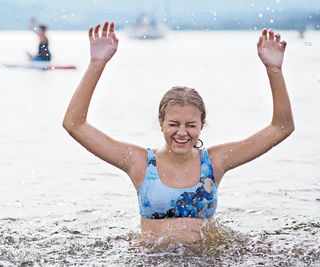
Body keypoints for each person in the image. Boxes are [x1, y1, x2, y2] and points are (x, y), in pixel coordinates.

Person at [62, 22, 294, 242]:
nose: (182, 133)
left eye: (191, 125)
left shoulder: (215, 162)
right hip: (152, 259)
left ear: (202, 125)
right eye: (174, 124)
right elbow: (74, 124)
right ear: (161, 123)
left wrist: (274, 69)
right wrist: (96, 64)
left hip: (206, 258)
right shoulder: (139, 162)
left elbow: (281, 128)